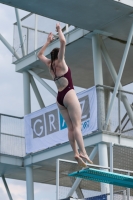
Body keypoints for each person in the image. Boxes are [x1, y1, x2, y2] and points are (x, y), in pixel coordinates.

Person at [37, 23, 93, 167]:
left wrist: (47, 42)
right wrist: (59, 30)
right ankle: (84, 152)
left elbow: (39, 55)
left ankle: (75, 152)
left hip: (59, 98)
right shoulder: (61, 62)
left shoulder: (50, 65)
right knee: (77, 126)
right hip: (68, 93)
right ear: (59, 55)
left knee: (70, 128)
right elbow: (63, 41)